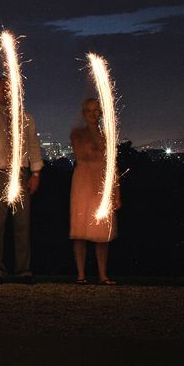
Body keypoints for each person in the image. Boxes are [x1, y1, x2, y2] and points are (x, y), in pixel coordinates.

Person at [0, 76, 43, 284]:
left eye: (9, 89)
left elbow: (33, 146)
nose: (5, 93)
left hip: (20, 172)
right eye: (1, 89)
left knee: (22, 222)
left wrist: (35, 173)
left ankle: (23, 269)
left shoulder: (27, 118)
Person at [69, 98, 121, 285]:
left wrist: (116, 192)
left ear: (100, 113)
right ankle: (81, 274)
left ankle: (102, 274)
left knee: (102, 232)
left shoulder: (107, 135)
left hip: (101, 181)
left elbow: (112, 165)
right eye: (89, 110)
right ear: (84, 113)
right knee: (80, 229)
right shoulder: (77, 134)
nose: (93, 114)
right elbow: (82, 154)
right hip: (83, 182)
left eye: (96, 110)